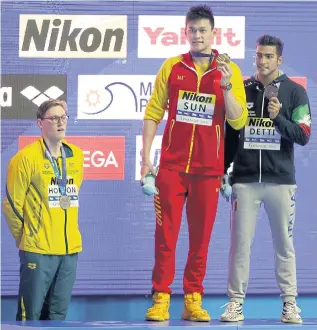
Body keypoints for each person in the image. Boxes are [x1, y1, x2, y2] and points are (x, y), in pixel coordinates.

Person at [141, 5, 248, 322]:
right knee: (165, 238)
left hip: (208, 171)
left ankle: (192, 300)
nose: (197, 35)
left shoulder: (229, 71)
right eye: (192, 30)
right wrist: (146, 159)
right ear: (185, 33)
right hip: (171, 169)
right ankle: (161, 298)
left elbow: (238, 120)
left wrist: (227, 85)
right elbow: (152, 114)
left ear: (214, 33)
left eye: (203, 30)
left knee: (200, 241)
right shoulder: (172, 67)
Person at [220, 35, 311, 324]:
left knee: (284, 244)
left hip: (281, 182)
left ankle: (289, 304)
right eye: (259, 55)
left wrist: (278, 118)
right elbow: (232, 135)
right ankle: (235, 303)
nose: (262, 61)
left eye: (269, 56)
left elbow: (304, 135)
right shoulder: (242, 88)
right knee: (240, 244)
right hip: (245, 181)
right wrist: (225, 171)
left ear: (279, 59)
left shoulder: (295, 92)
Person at [3, 99, 85, 320]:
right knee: (30, 315)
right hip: (38, 251)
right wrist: (28, 238)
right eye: (54, 118)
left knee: (58, 316)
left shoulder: (76, 156)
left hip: (69, 252)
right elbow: (12, 205)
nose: (61, 123)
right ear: (40, 123)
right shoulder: (24, 159)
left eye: (63, 117)